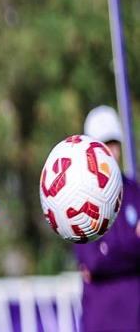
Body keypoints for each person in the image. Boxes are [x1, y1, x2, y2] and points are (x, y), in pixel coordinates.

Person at [74, 105, 140, 332]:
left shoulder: (135, 192)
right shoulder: (78, 198)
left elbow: (104, 256)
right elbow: (93, 261)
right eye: (101, 145)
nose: (109, 152)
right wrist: (134, 242)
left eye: (113, 143)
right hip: (100, 322)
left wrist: (111, 250)